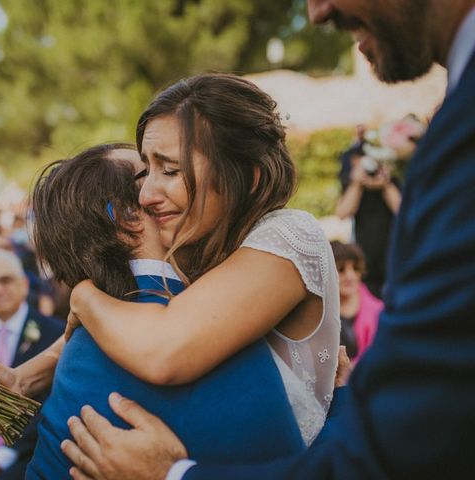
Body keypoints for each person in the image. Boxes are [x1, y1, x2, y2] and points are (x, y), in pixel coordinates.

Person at [59, 0, 475, 479]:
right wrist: (44, 364)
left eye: (169, 170)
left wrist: (84, 295)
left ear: (250, 179)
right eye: (145, 170)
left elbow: (164, 346)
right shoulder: (203, 251)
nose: (148, 193)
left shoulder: (286, 235)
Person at [25, 143, 309, 478]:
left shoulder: (82, 344)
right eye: (150, 173)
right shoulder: (211, 334)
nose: (179, 180)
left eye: (168, 171)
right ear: (129, 216)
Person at [0, 249, 64, 480]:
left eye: (5, 280)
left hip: (33, 451)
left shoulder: (56, 334)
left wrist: (0, 460)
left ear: (23, 284)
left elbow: (50, 404)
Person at [335, 139, 401, 298]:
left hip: (392, 256)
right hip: (365, 259)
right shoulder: (354, 186)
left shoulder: (392, 182)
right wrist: (357, 184)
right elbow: (342, 213)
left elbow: (402, 210)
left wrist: (385, 185)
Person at [331, 241, 381, 362]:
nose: (350, 275)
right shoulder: (318, 309)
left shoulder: (378, 311)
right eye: (341, 269)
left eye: (355, 268)